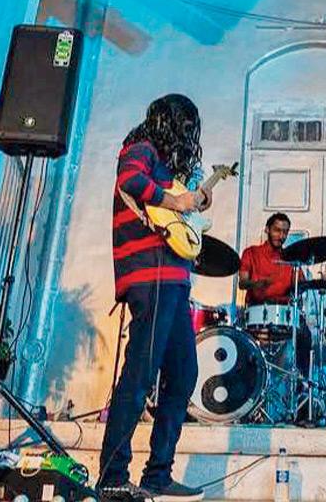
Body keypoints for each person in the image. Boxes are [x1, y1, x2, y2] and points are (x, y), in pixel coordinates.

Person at [99, 94, 209, 502]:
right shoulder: (140, 148)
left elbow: (176, 205)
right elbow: (129, 180)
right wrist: (175, 201)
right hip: (151, 275)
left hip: (174, 279)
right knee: (140, 374)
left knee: (183, 374)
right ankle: (112, 476)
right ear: (169, 122)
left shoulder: (167, 167)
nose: (189, 134)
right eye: (186, 125)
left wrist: (193, 200)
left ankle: (158, 474)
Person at [239, 212, 313, 379]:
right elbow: (242, 283)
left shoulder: (291, 259)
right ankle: (249, 386)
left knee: (305, 335)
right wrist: (257, 284)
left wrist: (310, 285)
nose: (281, 236)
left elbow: (301, 285)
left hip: (284, 313)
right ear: (267, 229)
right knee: (244, 346)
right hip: (257, 311)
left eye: (285, 232)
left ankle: (302, 384)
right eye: (277, 230)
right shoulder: (251, 252)